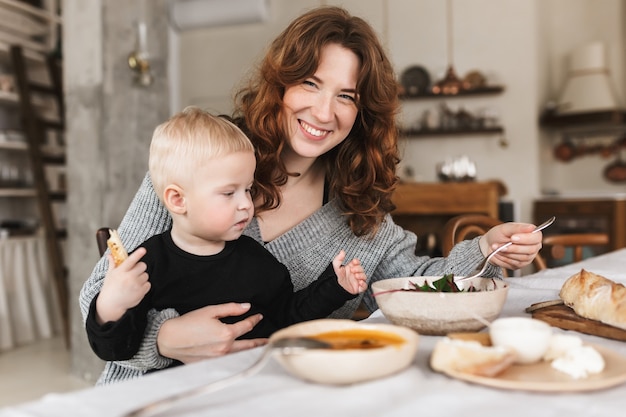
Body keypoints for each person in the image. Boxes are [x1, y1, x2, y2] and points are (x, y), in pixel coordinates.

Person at [80, 6, 543, 384]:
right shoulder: (202, 159)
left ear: (363, 112)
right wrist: (163, 339)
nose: (324, 111)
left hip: (269, 396)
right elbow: (98, 297)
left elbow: (420, 287)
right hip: (145, 395)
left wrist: (487, 248)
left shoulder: (360, 210)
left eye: (347, 96)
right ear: (280, 82)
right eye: (310, 83)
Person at [84, 107, 367, 375]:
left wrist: (336, 286)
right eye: (229, 193)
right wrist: (112, 303)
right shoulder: (146, 266)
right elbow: (115, 349)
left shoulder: (255, 261)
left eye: (248, 189)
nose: (246, 204)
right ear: (178, 199)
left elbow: (287, 317)